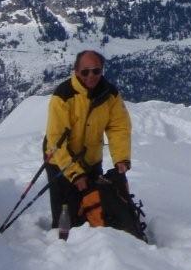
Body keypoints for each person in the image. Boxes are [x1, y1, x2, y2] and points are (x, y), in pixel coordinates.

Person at [44, 50, 132, 229]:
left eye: (96, 71)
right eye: (85, 72)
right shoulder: (63, 96)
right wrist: (75, 173)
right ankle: (61, 243)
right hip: (60, 163)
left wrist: (121, 158)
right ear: (76, 71)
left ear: (102, 70)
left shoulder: (110, 95)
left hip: (91, 161)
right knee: (65, 221)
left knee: (93, 210)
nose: (91, 76)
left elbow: (118, 127)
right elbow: (56, 140)